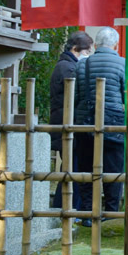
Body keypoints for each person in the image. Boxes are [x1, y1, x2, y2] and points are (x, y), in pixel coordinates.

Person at [74, 27, 128, 221]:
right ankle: (111, 213)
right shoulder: (124, 64)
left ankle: (87, 214)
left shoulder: (83, 64)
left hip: (86, 124)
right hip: (113, 125)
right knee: (114, 170)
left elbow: (76, 96)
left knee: (86, 169)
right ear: (115, 44)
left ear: (96, 45)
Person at [49, 30, 93, 209]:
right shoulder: (68, 68)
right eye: (87, 52)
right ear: (76, 48)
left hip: (64, 123)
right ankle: (65, 208)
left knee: (70, 169)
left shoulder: (64, 65)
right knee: (71, 171)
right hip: (68, 124)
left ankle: (68, 208)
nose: (88, 56)